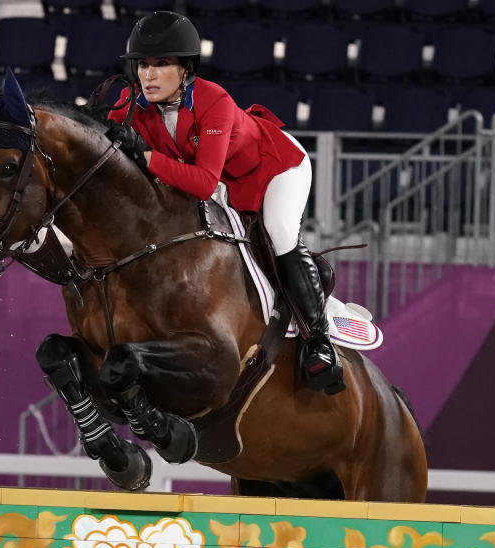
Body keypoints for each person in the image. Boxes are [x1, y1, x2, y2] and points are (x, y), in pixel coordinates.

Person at [106, 11, 345, 394]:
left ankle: (320, 341)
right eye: (142, 65)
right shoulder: (135, 102)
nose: (148, 75)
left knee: (278, 231)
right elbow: (98, 130)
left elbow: (202, 183)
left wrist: (147, 158)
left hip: (276, 168)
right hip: (226, 183)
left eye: (161, 64)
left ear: (185, 69)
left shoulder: (213, 99)